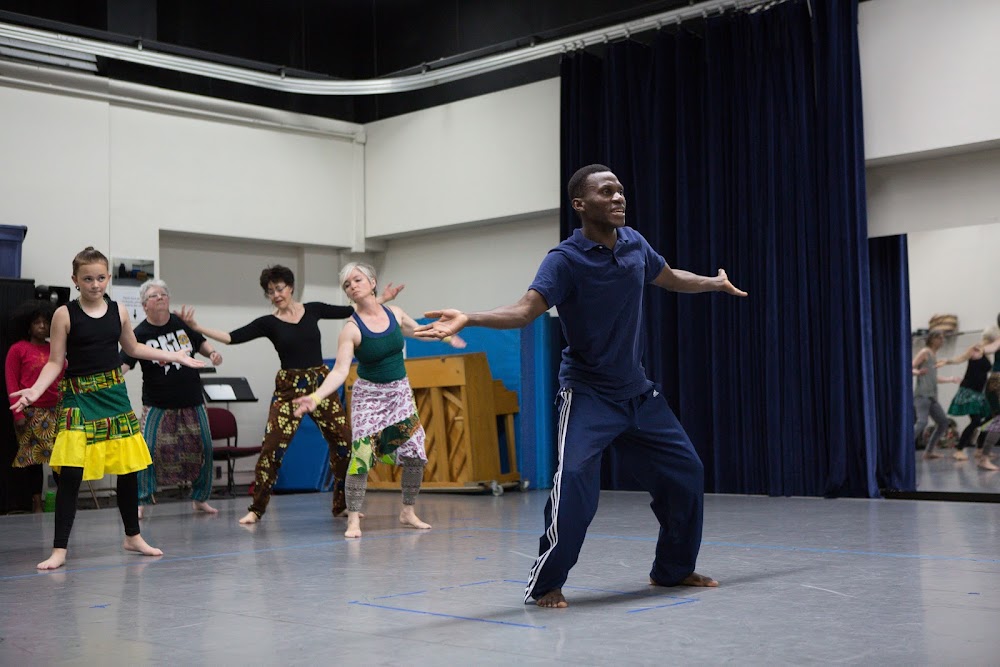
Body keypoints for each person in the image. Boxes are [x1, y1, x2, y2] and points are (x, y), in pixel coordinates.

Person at [415, 164, 747, 608]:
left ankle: (673, 569)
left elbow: (667, 277)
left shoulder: (634, 244)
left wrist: (713, 282)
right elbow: (524, 311)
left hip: (638, 393)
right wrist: (470, 317)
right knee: (573, 485)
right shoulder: (565, 260)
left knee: (686, 473)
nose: (618, 198)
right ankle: (546, 583)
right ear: (580, 204)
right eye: (606, 192)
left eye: (621, 191)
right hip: (588, 395)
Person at [10, 247, 204, 570]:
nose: (95, 284)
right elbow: (56, 361)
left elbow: (134, 347)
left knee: (128, 469)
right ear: (75, 280)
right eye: (88, 279)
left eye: (101, 278)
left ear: (108, 278)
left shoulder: (119, 312)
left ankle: (132, 535)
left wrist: (175, 356)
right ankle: (60, 549)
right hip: (78, 398)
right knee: (71, 472)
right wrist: (35, 389)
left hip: (114, 395)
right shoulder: (64, 315)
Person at [177, 265, 403, 525]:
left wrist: (383, 298)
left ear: (291, 287)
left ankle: (342, 505)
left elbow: (352, 310)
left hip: (320, 384)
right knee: (272, 448)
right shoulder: (268, 323)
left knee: (344, 444)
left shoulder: (314, 309)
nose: (275, 294)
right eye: (270, 291)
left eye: (279, 288)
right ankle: (256, 509)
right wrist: (196, 327)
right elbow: (230, 338)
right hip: (289, 389)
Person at [292, 262, 465, 538]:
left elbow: (417, 331)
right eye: (347, 285)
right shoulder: (351, 329)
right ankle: (353, 519)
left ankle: (407, 512)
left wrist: (446, 336)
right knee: (361, 456)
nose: (352, 286)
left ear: (372, 283)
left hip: (399, 394)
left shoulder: (394, 314)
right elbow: (339, 370)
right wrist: (315, 397)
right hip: (369, 397)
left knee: (416, 453)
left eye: (357, 280)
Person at [121, 279, 223, 518]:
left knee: (206, 449)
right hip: (158, 403)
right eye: (155, 296)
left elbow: (200, 341)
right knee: (147, 451)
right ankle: (141, 500)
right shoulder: (139, 333)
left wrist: (214, 353)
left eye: (164, 294)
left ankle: (200, 499)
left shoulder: (180, 322)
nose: (161, 298)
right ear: (144, 305)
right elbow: (125, 362)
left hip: (192, 399)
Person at [5, 300, 64, 513]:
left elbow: (63, 378)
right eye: (37, 323)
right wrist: (17, 414)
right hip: (30, 413)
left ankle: (63, 501)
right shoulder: (18, 349)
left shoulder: (55, 349)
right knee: (34, 460)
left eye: (46, 323)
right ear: (28, 326)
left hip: (56, 411)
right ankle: (37, 503)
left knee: (60, 459)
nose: (42, 326)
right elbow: (11, 382)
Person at [941, 329, 1000, 460]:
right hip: (968, 392)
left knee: (990, 417)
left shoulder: (986, 352)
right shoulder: (976, 349)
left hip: (979, 393)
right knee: (976, 421)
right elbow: (961, 358)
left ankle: (980, 449)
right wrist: (947, 361)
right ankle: (959, 449)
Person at [912, 330, 961, 460]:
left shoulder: (933, 355)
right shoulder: (925, 352)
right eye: (940, 338)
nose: (942, 340)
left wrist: (950, 379)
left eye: (943, 338)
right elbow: (909, 367)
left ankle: (928, 452)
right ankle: (902, 449)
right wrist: (917, 372)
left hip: (932, 397)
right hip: (922, 395)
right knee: (922, 422)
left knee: (943, 422)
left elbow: (934, 378)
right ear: (932, 339)